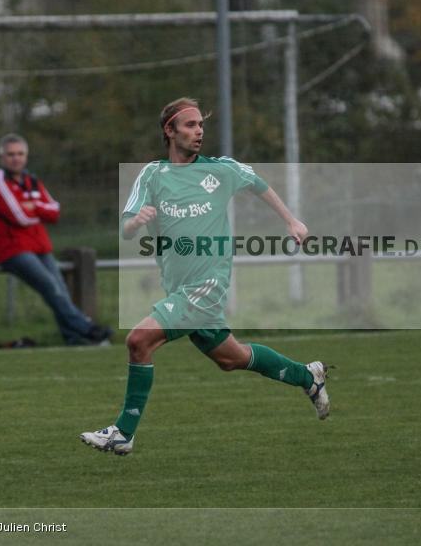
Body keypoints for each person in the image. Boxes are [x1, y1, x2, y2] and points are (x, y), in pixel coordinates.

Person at [79, 97, 330, 456]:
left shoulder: (220, 170)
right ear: (169, 130)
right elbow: (125, 228)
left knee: (139, 341)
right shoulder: (152, 175)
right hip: (179, 287)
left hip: (208, 284)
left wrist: (291, 220)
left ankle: (123, 432)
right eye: (190, 125)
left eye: (201, 126)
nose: (199, 132)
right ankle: (309, 377)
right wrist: (135, 222)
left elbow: (258, 184)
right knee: (231, 358)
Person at [0, 134, 113, 346]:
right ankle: (87, 328)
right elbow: (20, 216)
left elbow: (54, 211)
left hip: (38, 245)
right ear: (1, 157)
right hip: (12, 249)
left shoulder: (31, 180)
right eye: (10, 154)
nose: (15, 158)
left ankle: (73, 337)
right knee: (50, 286)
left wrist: (34, 206)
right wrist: (36, 209)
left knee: (59, 288)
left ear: (26, 156)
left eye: (20, 154)